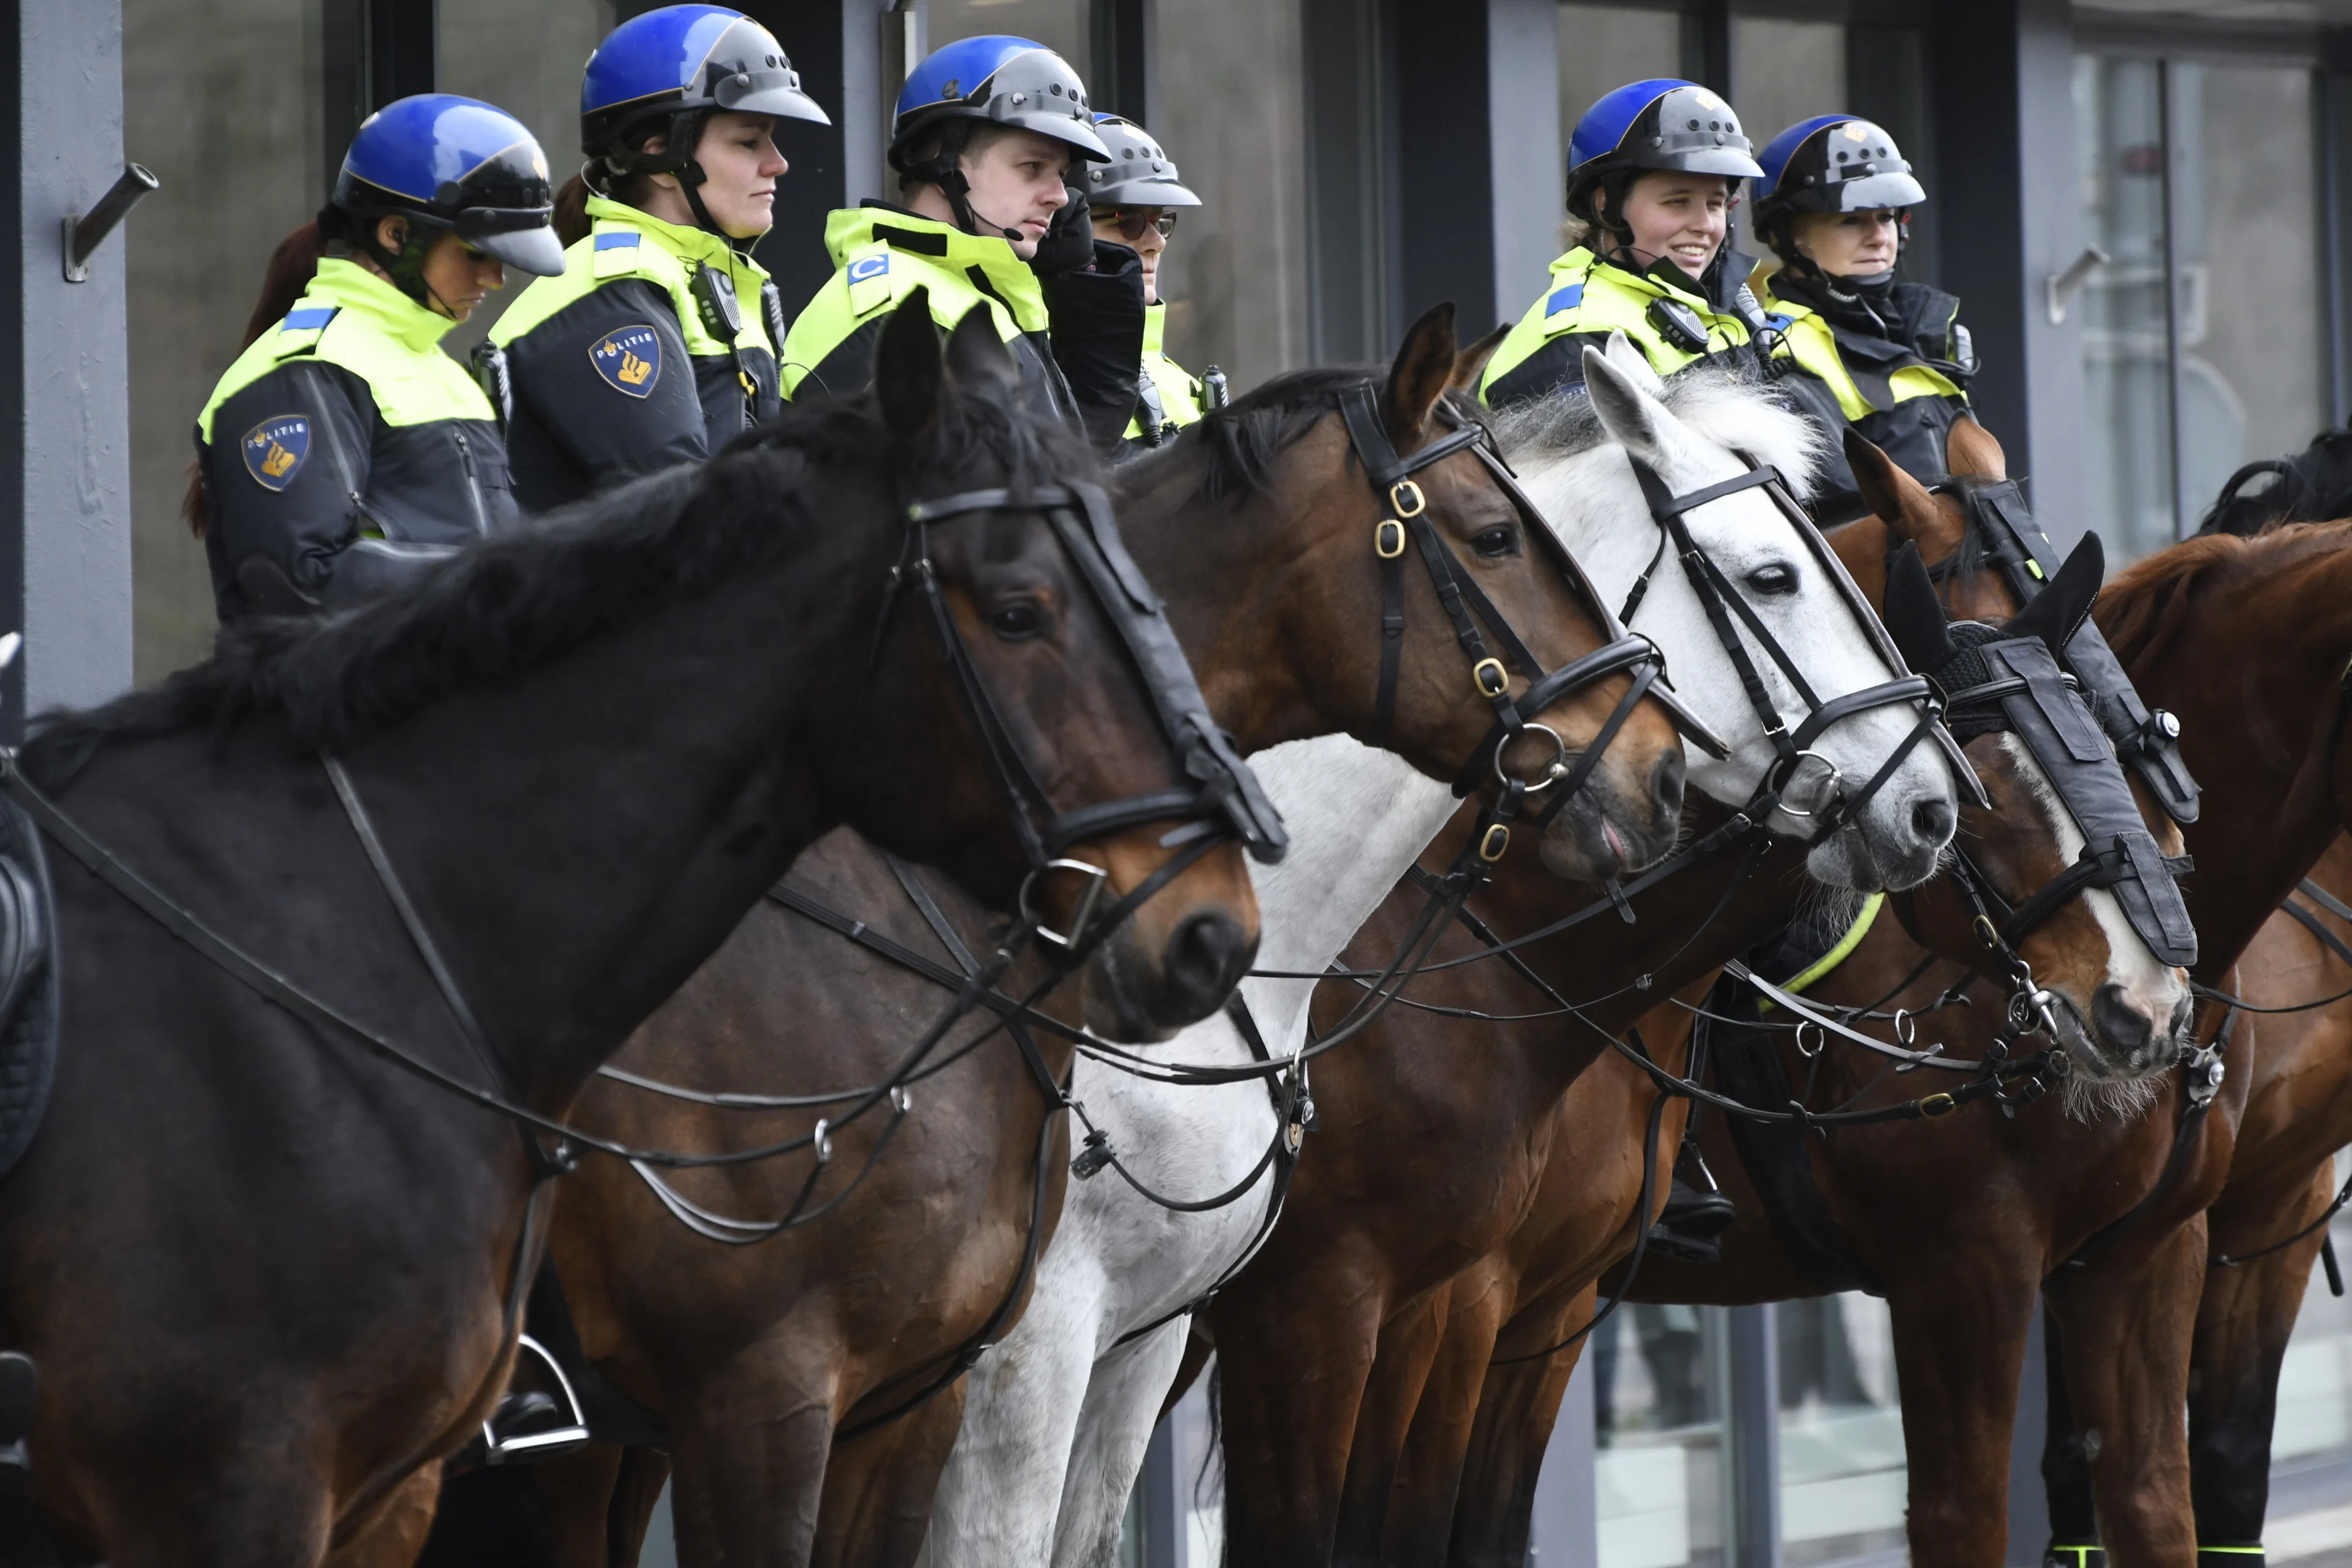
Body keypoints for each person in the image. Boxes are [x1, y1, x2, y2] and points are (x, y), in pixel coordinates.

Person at [191, 94, 563, 622]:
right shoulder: (306, 365)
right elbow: (299, 581)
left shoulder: (445, 372)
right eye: (477, 253)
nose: (495, 279)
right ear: (395, 235)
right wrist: (499, 583)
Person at [488, 4, 829, 511]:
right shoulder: (613, 293)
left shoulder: (700, 278)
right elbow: (681, 521)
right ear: (662, 158)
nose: (777, 164)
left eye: (771, 141)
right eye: (748, 142)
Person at [780, 35, 1147, 450]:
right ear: (946, 163)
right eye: (1033, 167)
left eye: (1061, 175)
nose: (1061, 197)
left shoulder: (985, 297)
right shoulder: (890, 310)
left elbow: (1077, 462)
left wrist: (1082, 298)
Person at [1483, 78, 1766, 409]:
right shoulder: (1578, 340)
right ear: (1607, 206)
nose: (1704, 225)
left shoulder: (1715, 306)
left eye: (1715, 204)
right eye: (1677, 202)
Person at [1749, 115, 1976, 522]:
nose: (1879, 237)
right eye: (1851, 220)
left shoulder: (1921, 331)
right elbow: (1835, 516)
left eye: (1886, 217)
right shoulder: (1774, 348)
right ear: (1791, 233)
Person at [1084, 113, 1205, 450]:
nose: (1158, 242)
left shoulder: (1185, 385)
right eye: (1129, 222)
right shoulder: (1042, 374)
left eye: (1161, 222)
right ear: (1065, 228)